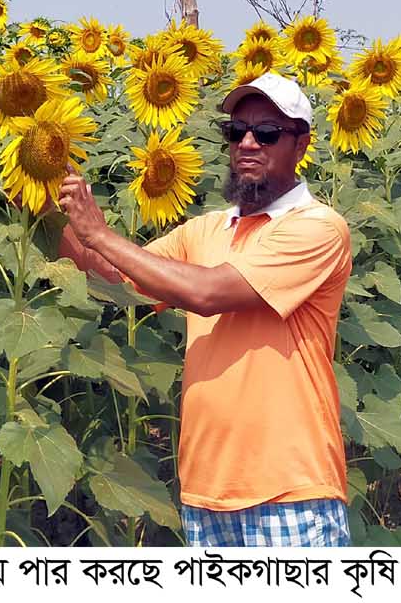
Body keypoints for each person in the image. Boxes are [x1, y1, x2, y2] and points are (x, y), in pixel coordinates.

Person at [49, 72, 354, 547]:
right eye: (236, 131)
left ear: (301, 144)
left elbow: (209, 293)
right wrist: (45, 201)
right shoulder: (207, 230)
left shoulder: (318, 228)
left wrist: (101, 235)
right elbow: (113, 278)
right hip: (204, 491)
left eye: (266, 132)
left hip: (290, 489)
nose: (247, 143)